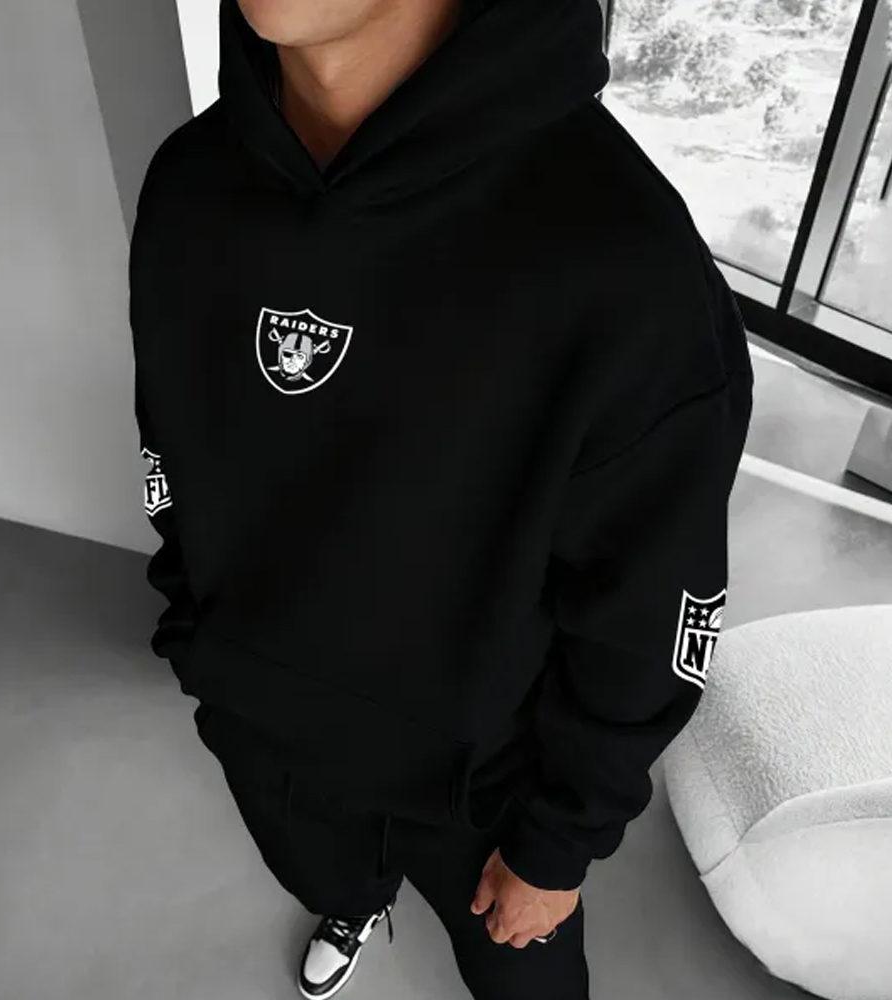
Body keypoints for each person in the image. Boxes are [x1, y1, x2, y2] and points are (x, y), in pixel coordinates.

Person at [128, 0, 755, 997]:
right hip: (267, 725)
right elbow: (172, 450)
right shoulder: (189, 185)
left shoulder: (620, 257)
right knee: (327, 872)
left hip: (488, 779)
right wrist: (199, 641)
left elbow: (649, 604)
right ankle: (354, 897)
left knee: (525, 980)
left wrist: (561, 839)